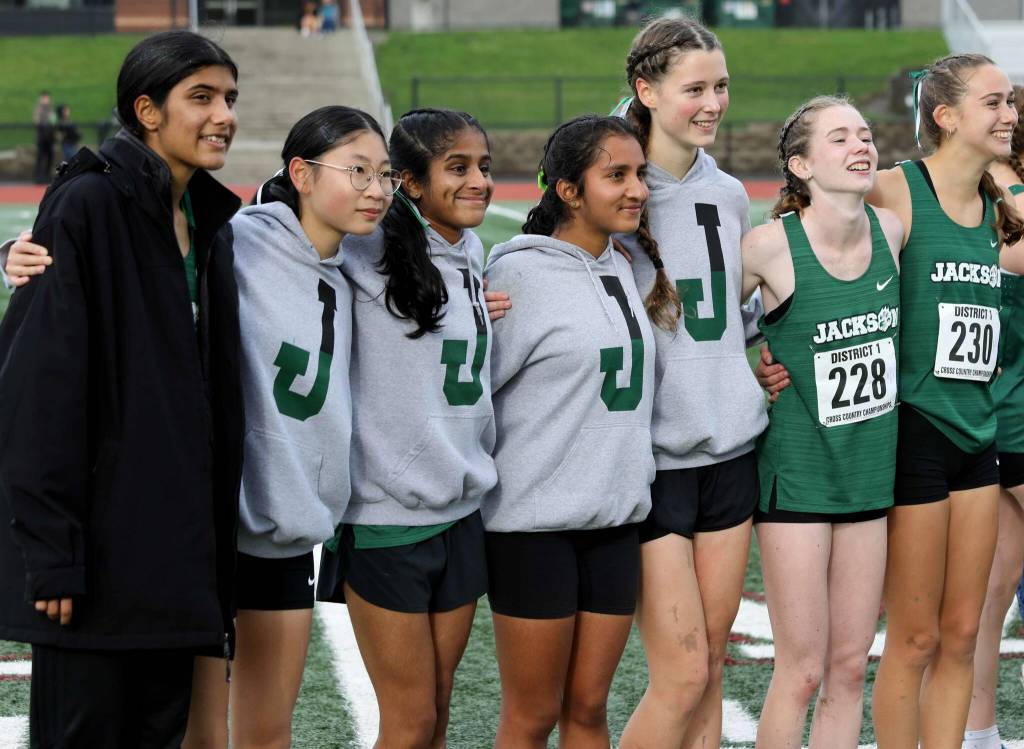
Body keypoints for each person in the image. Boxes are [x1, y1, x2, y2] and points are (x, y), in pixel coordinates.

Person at [756, 53, 1024, 748]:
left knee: (965, 630)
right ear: (945, 116)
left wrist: (1006, 180)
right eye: (994, 103)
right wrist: (774, 347)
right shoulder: (900, 190)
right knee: (915, 634)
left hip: (979, 430)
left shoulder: (1001, 207)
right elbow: (810, 219)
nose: (1011, 115)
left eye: (1012, 103)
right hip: (914, 432)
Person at [0, 31, 244, 748]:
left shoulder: (209, 220)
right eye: (200, 97)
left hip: (174, 559)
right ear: (147, 110)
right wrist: (52, 552)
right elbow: (39, 392)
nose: (223, 114)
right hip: (96, 565)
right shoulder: (86, 205)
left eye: (229, 97)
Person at [182, 106, 395, 749]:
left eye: (384, 175)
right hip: (212, 532)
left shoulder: (358, 264)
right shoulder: (238, 239)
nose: (377, 190)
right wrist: (14, 258)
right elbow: (125, 264)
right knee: (201, 737)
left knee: (268, 734)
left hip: (286, 532)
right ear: (300, 174)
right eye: (357, 171)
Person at [316, 108, 498, 748]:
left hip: (459, 507)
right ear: (409, 183)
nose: (478, 180)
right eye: (458, 167)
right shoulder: (362, 248)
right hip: (386, 516)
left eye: (483, 166)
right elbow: (272, 215)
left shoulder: (472, 249)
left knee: (439, 711)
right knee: (411, 719)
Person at [613, 18, 768, 749]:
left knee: (708, 667)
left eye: (722, 86)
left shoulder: (731, 191)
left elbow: (735, 310)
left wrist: (757, 355)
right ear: (646, 90)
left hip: (731, 447)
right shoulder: (610, 186)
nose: (713, 102)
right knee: (679, 672)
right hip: (653, 460)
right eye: (695, 88)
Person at [483, 114, 656, 749]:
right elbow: (468, 390)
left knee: (588, 709)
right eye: (616, 175)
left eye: (639, 174)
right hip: (533, 528)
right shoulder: (516, 277)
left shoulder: (625, 268)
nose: (636, 188)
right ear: (568, 190)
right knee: (532, 717)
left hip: (613, 519)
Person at [741, 97, 902, 748]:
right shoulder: (767, 247)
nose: (861, 144)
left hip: (870, 478)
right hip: (797, 480)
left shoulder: (891, 230)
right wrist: (750, 372)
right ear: (802, 164)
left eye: (865, 134)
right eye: (840, 138)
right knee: (802, 669)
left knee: (847, 666)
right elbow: (705, 337)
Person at [963, 84, 1024, 749]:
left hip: (1001, 408)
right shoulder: (1001, 193)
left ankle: (978, 732)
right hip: (1012, 409)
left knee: (995, 589)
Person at [33, 90, 56, 184]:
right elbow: (37, 121)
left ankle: (47, 176)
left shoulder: (51, 109)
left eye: (47, 98)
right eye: (44, 98)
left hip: (50, 138)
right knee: (40, 157)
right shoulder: (38, 108)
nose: (46, 100)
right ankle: (38, 177)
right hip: (41, 137)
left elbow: (53, 120)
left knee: (50, 157)